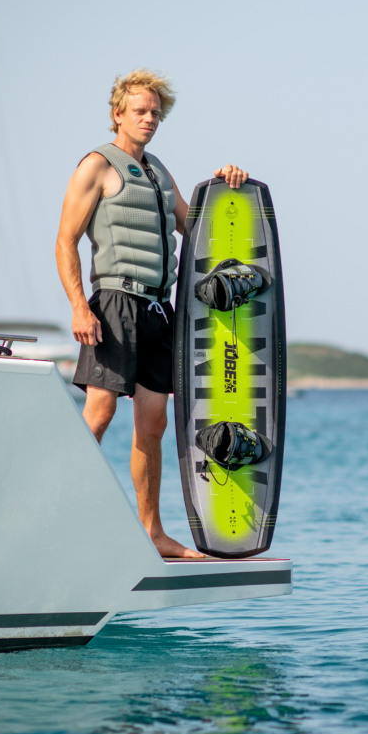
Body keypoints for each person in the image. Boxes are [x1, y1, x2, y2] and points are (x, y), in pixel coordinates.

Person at [55, 69, 248, 558]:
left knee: (153, 423)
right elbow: (65, 241)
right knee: (99, 413)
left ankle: (153, 533)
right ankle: (50, 518)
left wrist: (225, 186)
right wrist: (79, 306)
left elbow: (195, 225)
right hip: (115, 303)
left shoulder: (159, 172)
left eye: (155, 113)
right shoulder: (97, 165)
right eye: (140, 111)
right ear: (118, 114)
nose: (149, 119)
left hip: (160, 310)